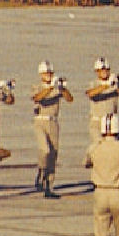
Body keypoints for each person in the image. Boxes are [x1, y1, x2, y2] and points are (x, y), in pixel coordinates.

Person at [31, 62, 73, 197]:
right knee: (45, 150)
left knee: (53, 154)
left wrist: (62, 89)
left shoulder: (57, 87)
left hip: (53, 121)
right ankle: (41, 170)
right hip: (41, 121)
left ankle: (49, 186)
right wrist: (50, 88)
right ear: (41, 74)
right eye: (45, 73)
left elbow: (70, 99)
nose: (48, 75)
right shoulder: (37, 86)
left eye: (50, 73)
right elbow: (37, 98)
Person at [86, 58, 119, 136]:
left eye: (107, 70)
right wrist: (107, 85)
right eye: (102, 70)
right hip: (97, 121)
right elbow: (90, 94)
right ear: (97, 71)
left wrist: (118, 87)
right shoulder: (94, 83)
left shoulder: (114, 83)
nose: (104, 72)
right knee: (97, 141)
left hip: (111, 121)